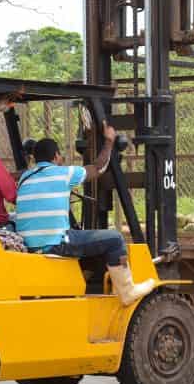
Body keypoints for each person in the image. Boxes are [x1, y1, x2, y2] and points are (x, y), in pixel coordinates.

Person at [15, 122, 154, 306]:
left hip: (29, 244)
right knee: (114, 239)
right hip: (56, 245)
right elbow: (99, 168)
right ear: (56, 156)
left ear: (35, 158)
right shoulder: (64, 173)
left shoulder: (25, 177)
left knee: (77, 232)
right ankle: (127, 292)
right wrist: (109, 141)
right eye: (60, 155)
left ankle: (86, 275)